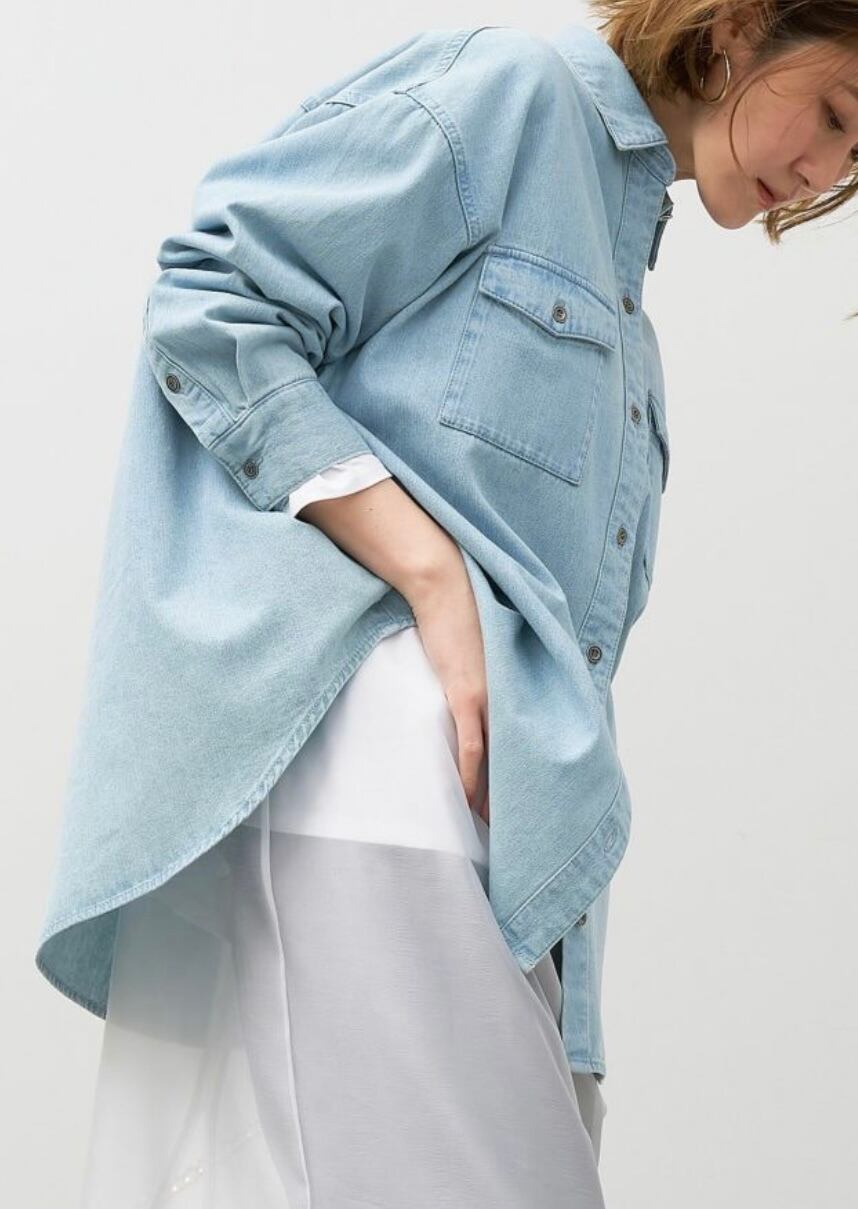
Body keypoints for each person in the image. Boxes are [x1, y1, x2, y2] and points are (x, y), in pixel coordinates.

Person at [36, 5, 858, 1207]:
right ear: (735, 28)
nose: (826, 170)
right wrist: (428, 572)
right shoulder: (511, 93)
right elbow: (216, 294)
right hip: (374, 791)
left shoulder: (624, 291)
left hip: (486, 844)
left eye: (854, 155)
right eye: (834, 112)